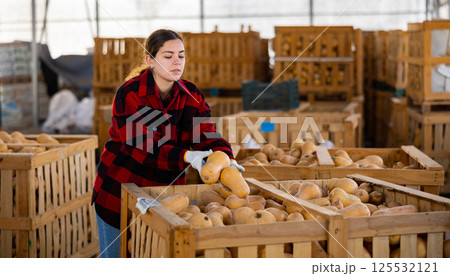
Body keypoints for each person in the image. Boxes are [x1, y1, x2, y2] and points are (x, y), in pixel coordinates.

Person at [91, 29, 244, 258]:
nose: (176, 62)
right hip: (120, 190)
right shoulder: (130, 93)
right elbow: (141, 144)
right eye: (168, 55)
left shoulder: (191, 94)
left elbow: (205, 133)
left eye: (181, 55)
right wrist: (186, 156)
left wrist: (226, 157)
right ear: (149, 60)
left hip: (166, 193)